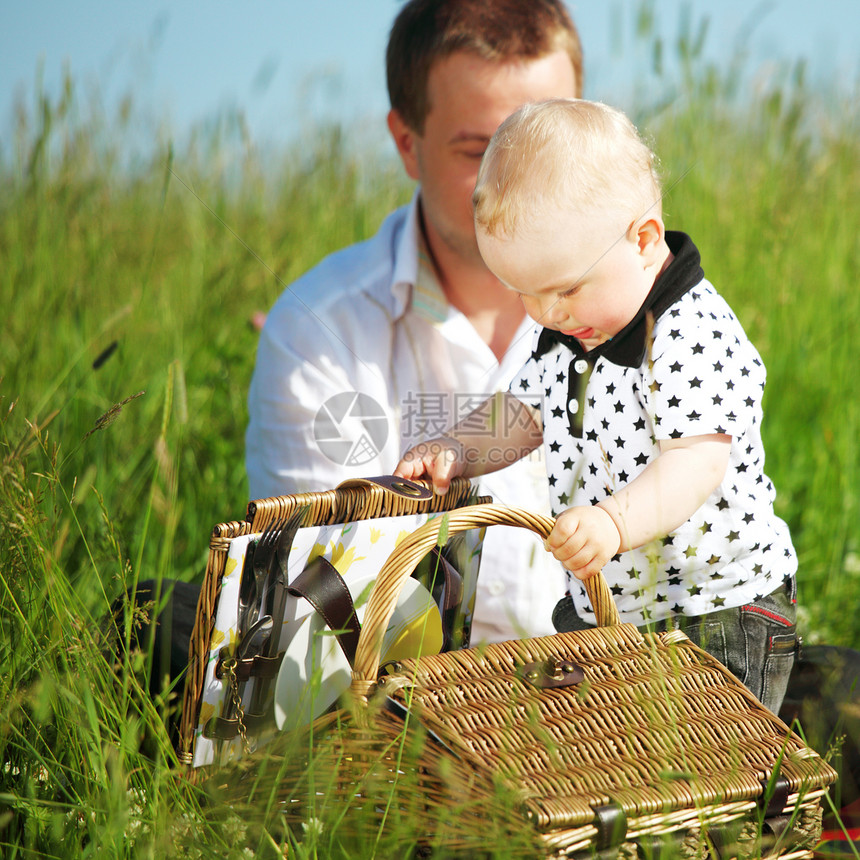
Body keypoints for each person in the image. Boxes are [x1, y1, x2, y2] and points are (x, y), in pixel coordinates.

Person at [395, 98, 798, 713]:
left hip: (717, 608)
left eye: (566, 289)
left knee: (717, 758)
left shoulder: (692, 332)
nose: (545, 314)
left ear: (643, 240)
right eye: (524, 294)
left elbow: (695, 462)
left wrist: (614, 522)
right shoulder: (571, 332)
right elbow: (521, 414)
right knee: (616, 754)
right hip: (607, 606)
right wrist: (456, 448)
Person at [246, 0, 584, 643]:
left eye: (548, 146)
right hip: (407, 715)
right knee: (149, 622)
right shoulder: (316, 331)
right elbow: (324, 616)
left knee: (836, 693)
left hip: (627, 696)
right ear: (408, 143)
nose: (522, 185)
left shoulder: (656, 316)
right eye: (478, 151)